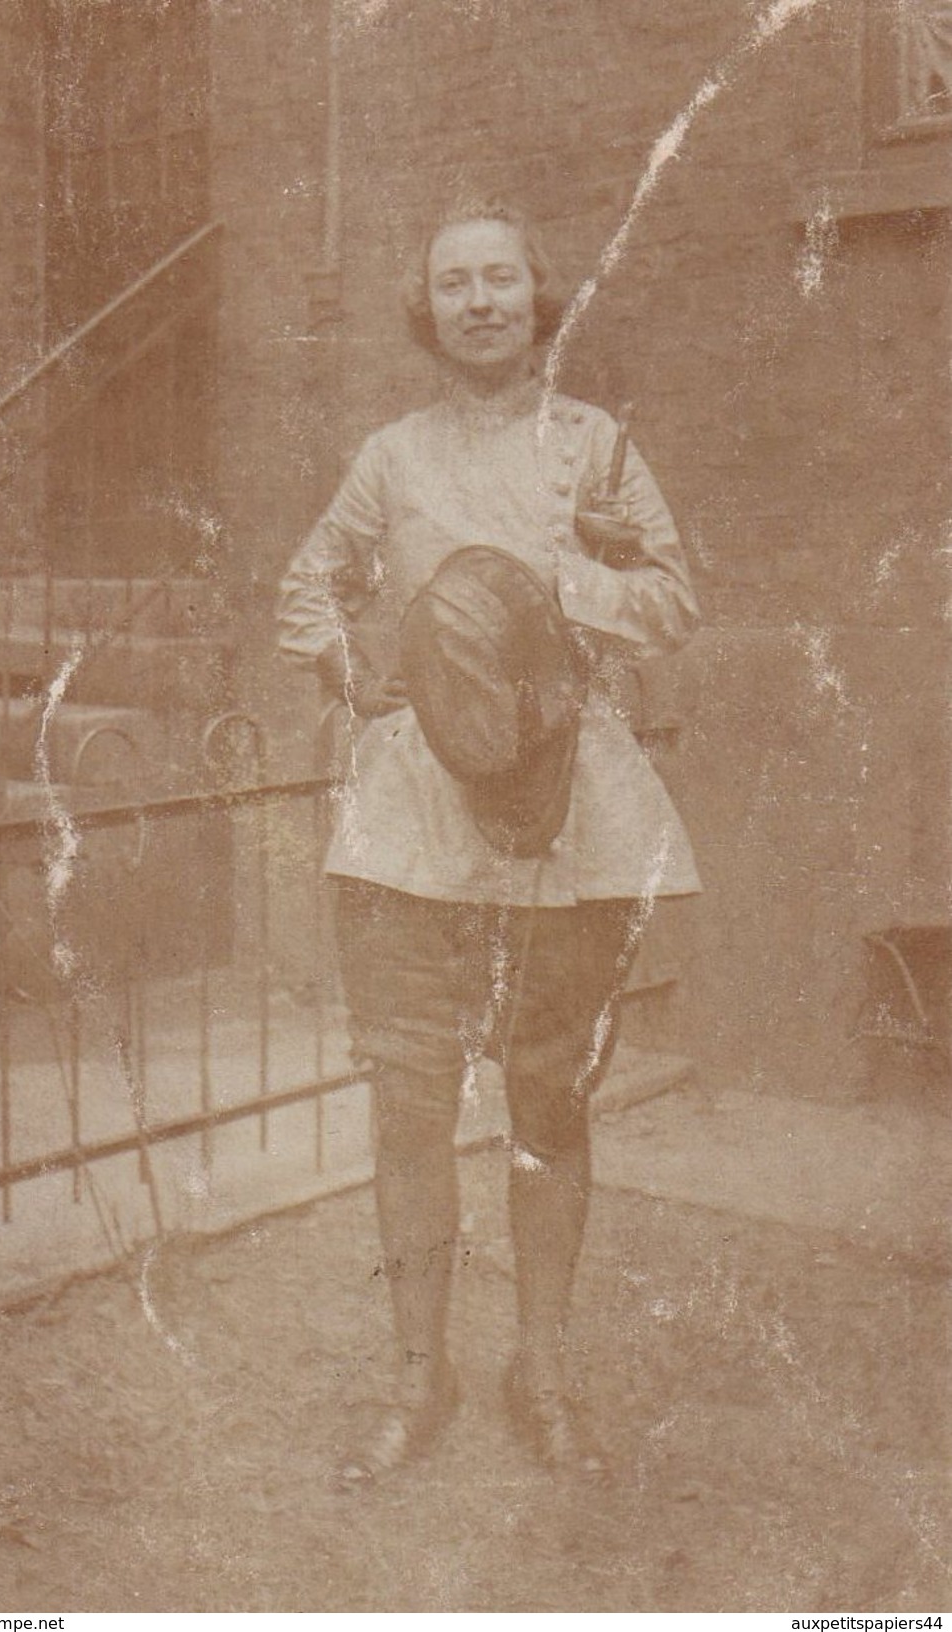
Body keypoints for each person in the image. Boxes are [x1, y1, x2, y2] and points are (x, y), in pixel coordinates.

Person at [277, 198, 701, 1485]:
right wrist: (369, 681)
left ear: (536, 297)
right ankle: (420, 1378)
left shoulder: (597, 450)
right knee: (408, 1105)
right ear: (429, 307)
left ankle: (545, 1368)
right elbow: (308, 590)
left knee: (547, 1098)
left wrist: (556, 587)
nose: (478, 301)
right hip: (415, 819)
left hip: (564, 805)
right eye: (453, 280)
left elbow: (676, 597)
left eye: (500, 279)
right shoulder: (389, 457)